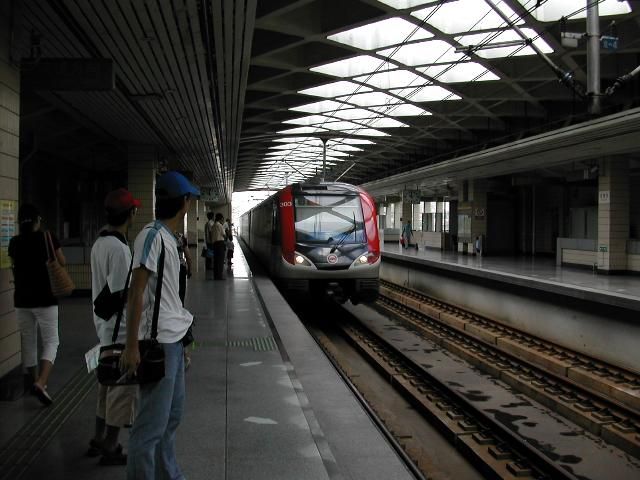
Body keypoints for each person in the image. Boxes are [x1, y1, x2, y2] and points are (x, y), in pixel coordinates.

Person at [121, 171, 198, 480]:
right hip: (157, 344)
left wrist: (184, 342)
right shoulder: (151, 236)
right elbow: (136, 292)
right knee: (150, 426)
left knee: (171, 418)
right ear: (184, 203)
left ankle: (169, 474)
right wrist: (131, 346)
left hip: (173, 340)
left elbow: (170, 298)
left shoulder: (169, 237)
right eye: (189, 199)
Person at [89, 188, 141, 465]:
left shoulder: (100, 242)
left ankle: (98, 439)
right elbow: (123, 293)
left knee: (105, 386)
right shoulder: (120, 249)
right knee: (121, 388)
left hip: (104, 327)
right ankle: (110, 446)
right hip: (118, 331)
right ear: (130, 213)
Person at [8, 204, 65, 406]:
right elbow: (62, 261)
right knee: (51, 341)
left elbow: (15, 266)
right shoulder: (46, 237)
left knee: (28, 342)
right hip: (45, 299)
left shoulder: (14, 242)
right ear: (37, 220)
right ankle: (41, 382)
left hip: (22, 300)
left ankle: (33, 382)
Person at [212, 213, 226, 280]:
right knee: (220, 260)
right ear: (220, 218)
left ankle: (216, 276)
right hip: (220, 243)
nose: (223, 220)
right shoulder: (220, 225)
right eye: (222, 218)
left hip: (215, 244)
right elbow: (224, 234)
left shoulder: (213, 225)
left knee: (216, 260)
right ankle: (219, 276)